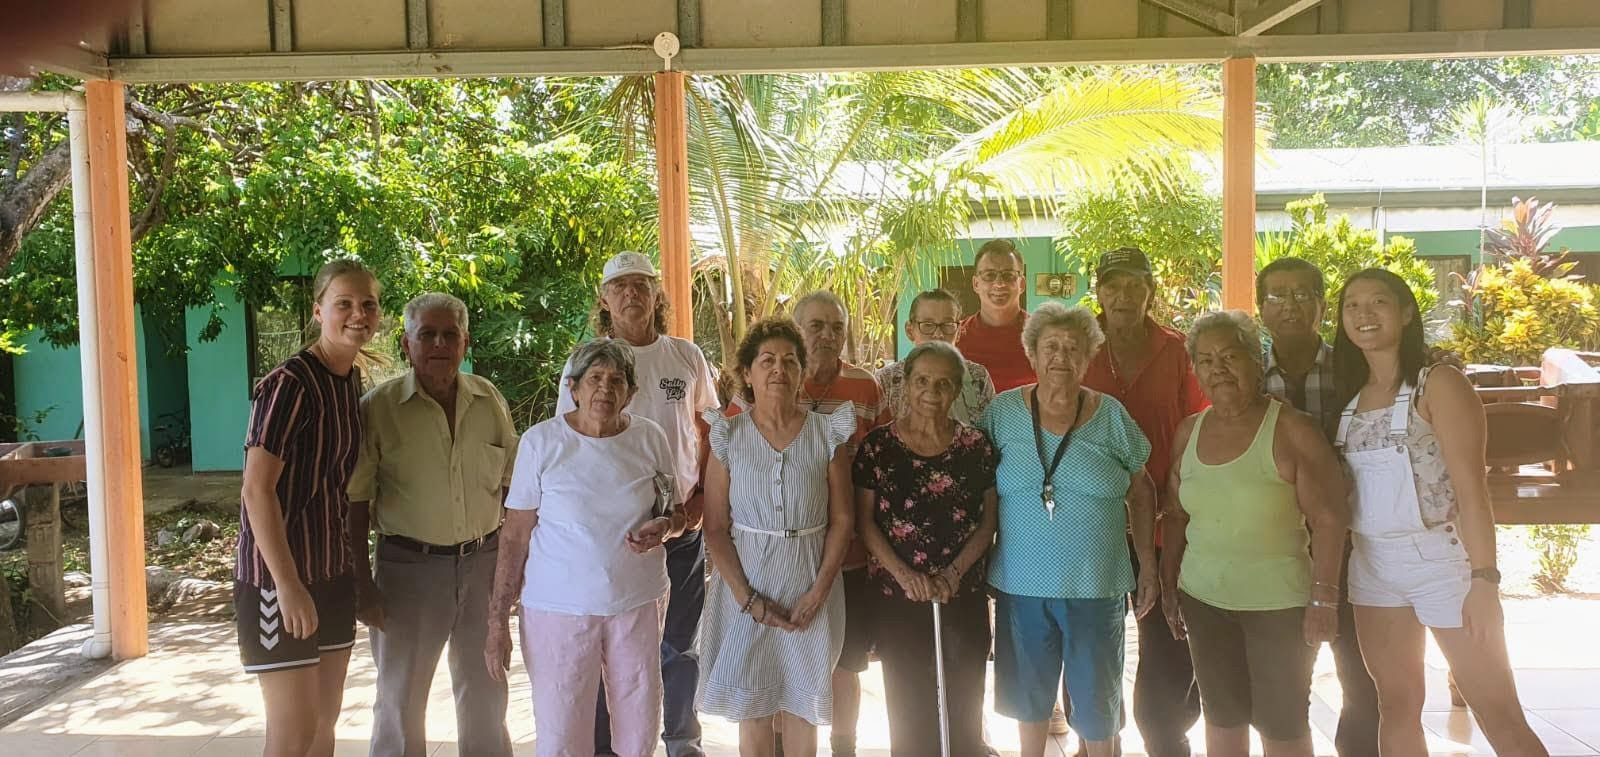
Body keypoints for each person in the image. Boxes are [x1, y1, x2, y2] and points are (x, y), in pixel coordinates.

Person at [1332, 269, 1549, 757]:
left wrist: (1484, 582)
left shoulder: (1439, 384)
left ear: (1407, 313)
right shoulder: (1350, 397)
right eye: (1352, 305)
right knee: (1396, 705)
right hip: (1373, 566)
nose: (1364, 314)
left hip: (1444, 565)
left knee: (1497, 711)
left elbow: (1473, 492)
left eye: (1379, 302)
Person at [486, 338, 688, 757]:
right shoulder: (542, 442)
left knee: (639, 730)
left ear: (631, 392)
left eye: (617, 380)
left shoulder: (650, 438)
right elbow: (515, 535)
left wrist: (665, 526)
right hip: (557, 609)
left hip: (636, 603)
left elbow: (676, 512)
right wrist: (497, 622)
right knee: (562, 733)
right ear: (573, 388)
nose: (605, 389)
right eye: (594, 378)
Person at [1161, 311, 1350, 757]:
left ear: (1255, 360)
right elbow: (1175, 515)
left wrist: (1324, 599)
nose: (1219, 369)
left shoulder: (1292, 429)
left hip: (1278, 607)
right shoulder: (1189, 431)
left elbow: (1330, 518)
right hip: (1204, 599)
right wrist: (1169, 584)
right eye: (1206, 360)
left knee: (1282, 724)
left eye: (1230, 356)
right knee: (1222, 717)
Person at [556, 251, 719, 757]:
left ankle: (682, 742)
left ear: (656, 294)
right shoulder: (585, 362)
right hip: (614, 536)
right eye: (620, 286)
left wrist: (698, 500)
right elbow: (570, 442)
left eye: (641, 284)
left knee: (680, 644)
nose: (631, 294)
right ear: (604, 299)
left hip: (681, 526)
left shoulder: (685, 356)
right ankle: (608, 748)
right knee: (612, 646)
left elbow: (711, 429)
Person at [981, 302, 1159, 757]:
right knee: (1028, 699)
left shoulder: (1110, 414)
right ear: (1032, 354)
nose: (1061, 356)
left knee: (1098, 701)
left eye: (1073, 348)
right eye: (1050, 347)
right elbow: (978, 486)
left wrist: (1148, 564)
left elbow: (1142, 491)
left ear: (1088, 357)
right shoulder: (1002, 413)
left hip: (1095, 584)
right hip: (1021, 583)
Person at [347, 293, 517, 757]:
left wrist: (513, 569)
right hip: (408, 570)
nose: (439, 344)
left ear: (465, 343)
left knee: (487, 693)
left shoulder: (488, 399)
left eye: (449, 335)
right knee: (400, 700)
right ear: (406, 344)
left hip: (483, 565)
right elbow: (356, 502)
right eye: (427, 334)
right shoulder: (378, 408)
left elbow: (512, 489)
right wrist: (362, 584)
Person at [729, 290, 888, 757]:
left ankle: (844, 747)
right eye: (815, 326)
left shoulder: (865, 387)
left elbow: (881, 461)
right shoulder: (760, 389)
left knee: (845, 662)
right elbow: (738, 460)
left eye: (836, 327)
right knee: (775, 669)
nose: (827, 335)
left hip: (846, 553)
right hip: (770, 562)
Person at [236, 259, 379, 757]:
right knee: (292, 733)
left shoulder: (349, 381)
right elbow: (256, 490)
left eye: (368, 304)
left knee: (322, 725)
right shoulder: (289, 383)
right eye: (344, 304)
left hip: (332, 575)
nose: (358, 314)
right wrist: (288, 585)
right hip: (279, 583)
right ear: (319, 311)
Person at [697, 318, 856, 757]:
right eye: (766, 360)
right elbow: (715, 527)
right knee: (753, 710)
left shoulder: (827, 433)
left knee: (803, 709)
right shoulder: (728, 436)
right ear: (747, 373)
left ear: (802, 373)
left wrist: (817, 592)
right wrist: (748, 599)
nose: (778, 370)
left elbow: (843, 520)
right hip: (745, 589)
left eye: (789, 361)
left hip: (811, 585)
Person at [1079, 246, 1206, 757]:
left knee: (1169, 638)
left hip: (1163, 523)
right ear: (1099, 292)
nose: (1124, 296)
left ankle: (1167, 737)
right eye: (1113, 285)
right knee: (1089, 641)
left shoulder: (1177, 351)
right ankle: (1093, 743)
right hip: (1091, 526)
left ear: (1151, 291)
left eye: (1135, 285)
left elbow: (1201, 424)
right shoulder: (1077, 346)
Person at [1255, 257, 1381, 756]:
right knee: (1284, 688)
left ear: (1322, 305)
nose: (1290, 305)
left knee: (1363, 678)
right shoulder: (1246, 376)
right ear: (1261, 308)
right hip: (1277, 548)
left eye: (1302, 294)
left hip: (1355, 542)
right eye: (1277, 295)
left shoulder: (1356, 368)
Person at [854, 340, 999, 757]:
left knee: (964, 705)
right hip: (898, 596)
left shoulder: (976, 447)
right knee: (908, 709)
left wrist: (952, 574)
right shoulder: (878, 448)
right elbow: (865, 522)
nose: (931, 392)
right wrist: (907, 577)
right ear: (905, 384)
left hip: (962, 593)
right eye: (921, 381)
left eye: (943, 384)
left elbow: (988, 521)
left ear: (957, 390)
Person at [877, 288, 997, 424]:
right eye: (928, 325)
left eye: (947, 325)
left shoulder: (978, 377)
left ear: (958, 332)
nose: (938, 334)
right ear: (910, 330)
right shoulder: (887, 380)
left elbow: (990, 431)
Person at [957, 239, 1036, 393]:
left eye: (1009, 275)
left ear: (1022, 284)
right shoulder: (956, 337)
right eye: (989, 275)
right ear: (976, 284)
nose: (999, 284)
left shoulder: (1043, 336)